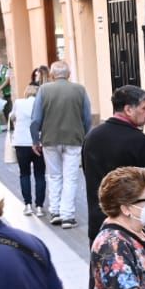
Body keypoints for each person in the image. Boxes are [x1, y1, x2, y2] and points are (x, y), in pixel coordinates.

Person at [83, 86, 145, 240]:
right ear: (128, 110)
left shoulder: (92, 136)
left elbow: (88, 174)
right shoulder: (139, 141)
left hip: (99, 223)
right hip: (133, 225)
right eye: (144, 108)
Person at [30, 61, 90, 228]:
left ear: (52, 75)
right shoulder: (80, 90)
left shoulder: (43, 90)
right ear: (69, 74)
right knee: (70, 177)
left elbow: (35, 119)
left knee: (54, 176)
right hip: (74, 138)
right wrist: (84, 135)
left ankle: (55, 211)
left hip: (50, 138)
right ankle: (67, 215)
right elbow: (87, 117)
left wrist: (35, 140)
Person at [10, 82, 45, 215]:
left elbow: (12, 117)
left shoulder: (19, 103)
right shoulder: (40, 105)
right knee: (40, 175)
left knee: (24, 174)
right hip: (38, 142)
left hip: (21, 142)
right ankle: (40, 206)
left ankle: (28, 205)